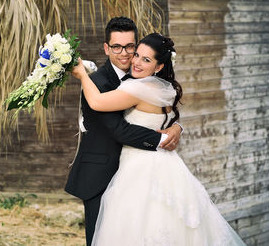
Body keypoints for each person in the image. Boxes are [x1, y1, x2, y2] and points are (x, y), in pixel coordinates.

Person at [71, 33, 246, 245]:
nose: (135, 62)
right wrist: (176, 127)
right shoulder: (166, 88)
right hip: (166, 165)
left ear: (159, 66)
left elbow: (97, 102)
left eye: (146, 60)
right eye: (137, 55)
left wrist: (81, 75)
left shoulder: (139, 87)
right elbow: (165, 118)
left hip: (140, 168)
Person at [64, 17, 183, 246]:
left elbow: (162, 104)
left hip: (138, 175)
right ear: (106, 48)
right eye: (117, 47)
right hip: (101, 176)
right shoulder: (96, 82)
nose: (126, 54)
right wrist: (163, 138)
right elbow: (119, 130)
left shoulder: (145, 76)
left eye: (130, 46)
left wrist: (177, 126)